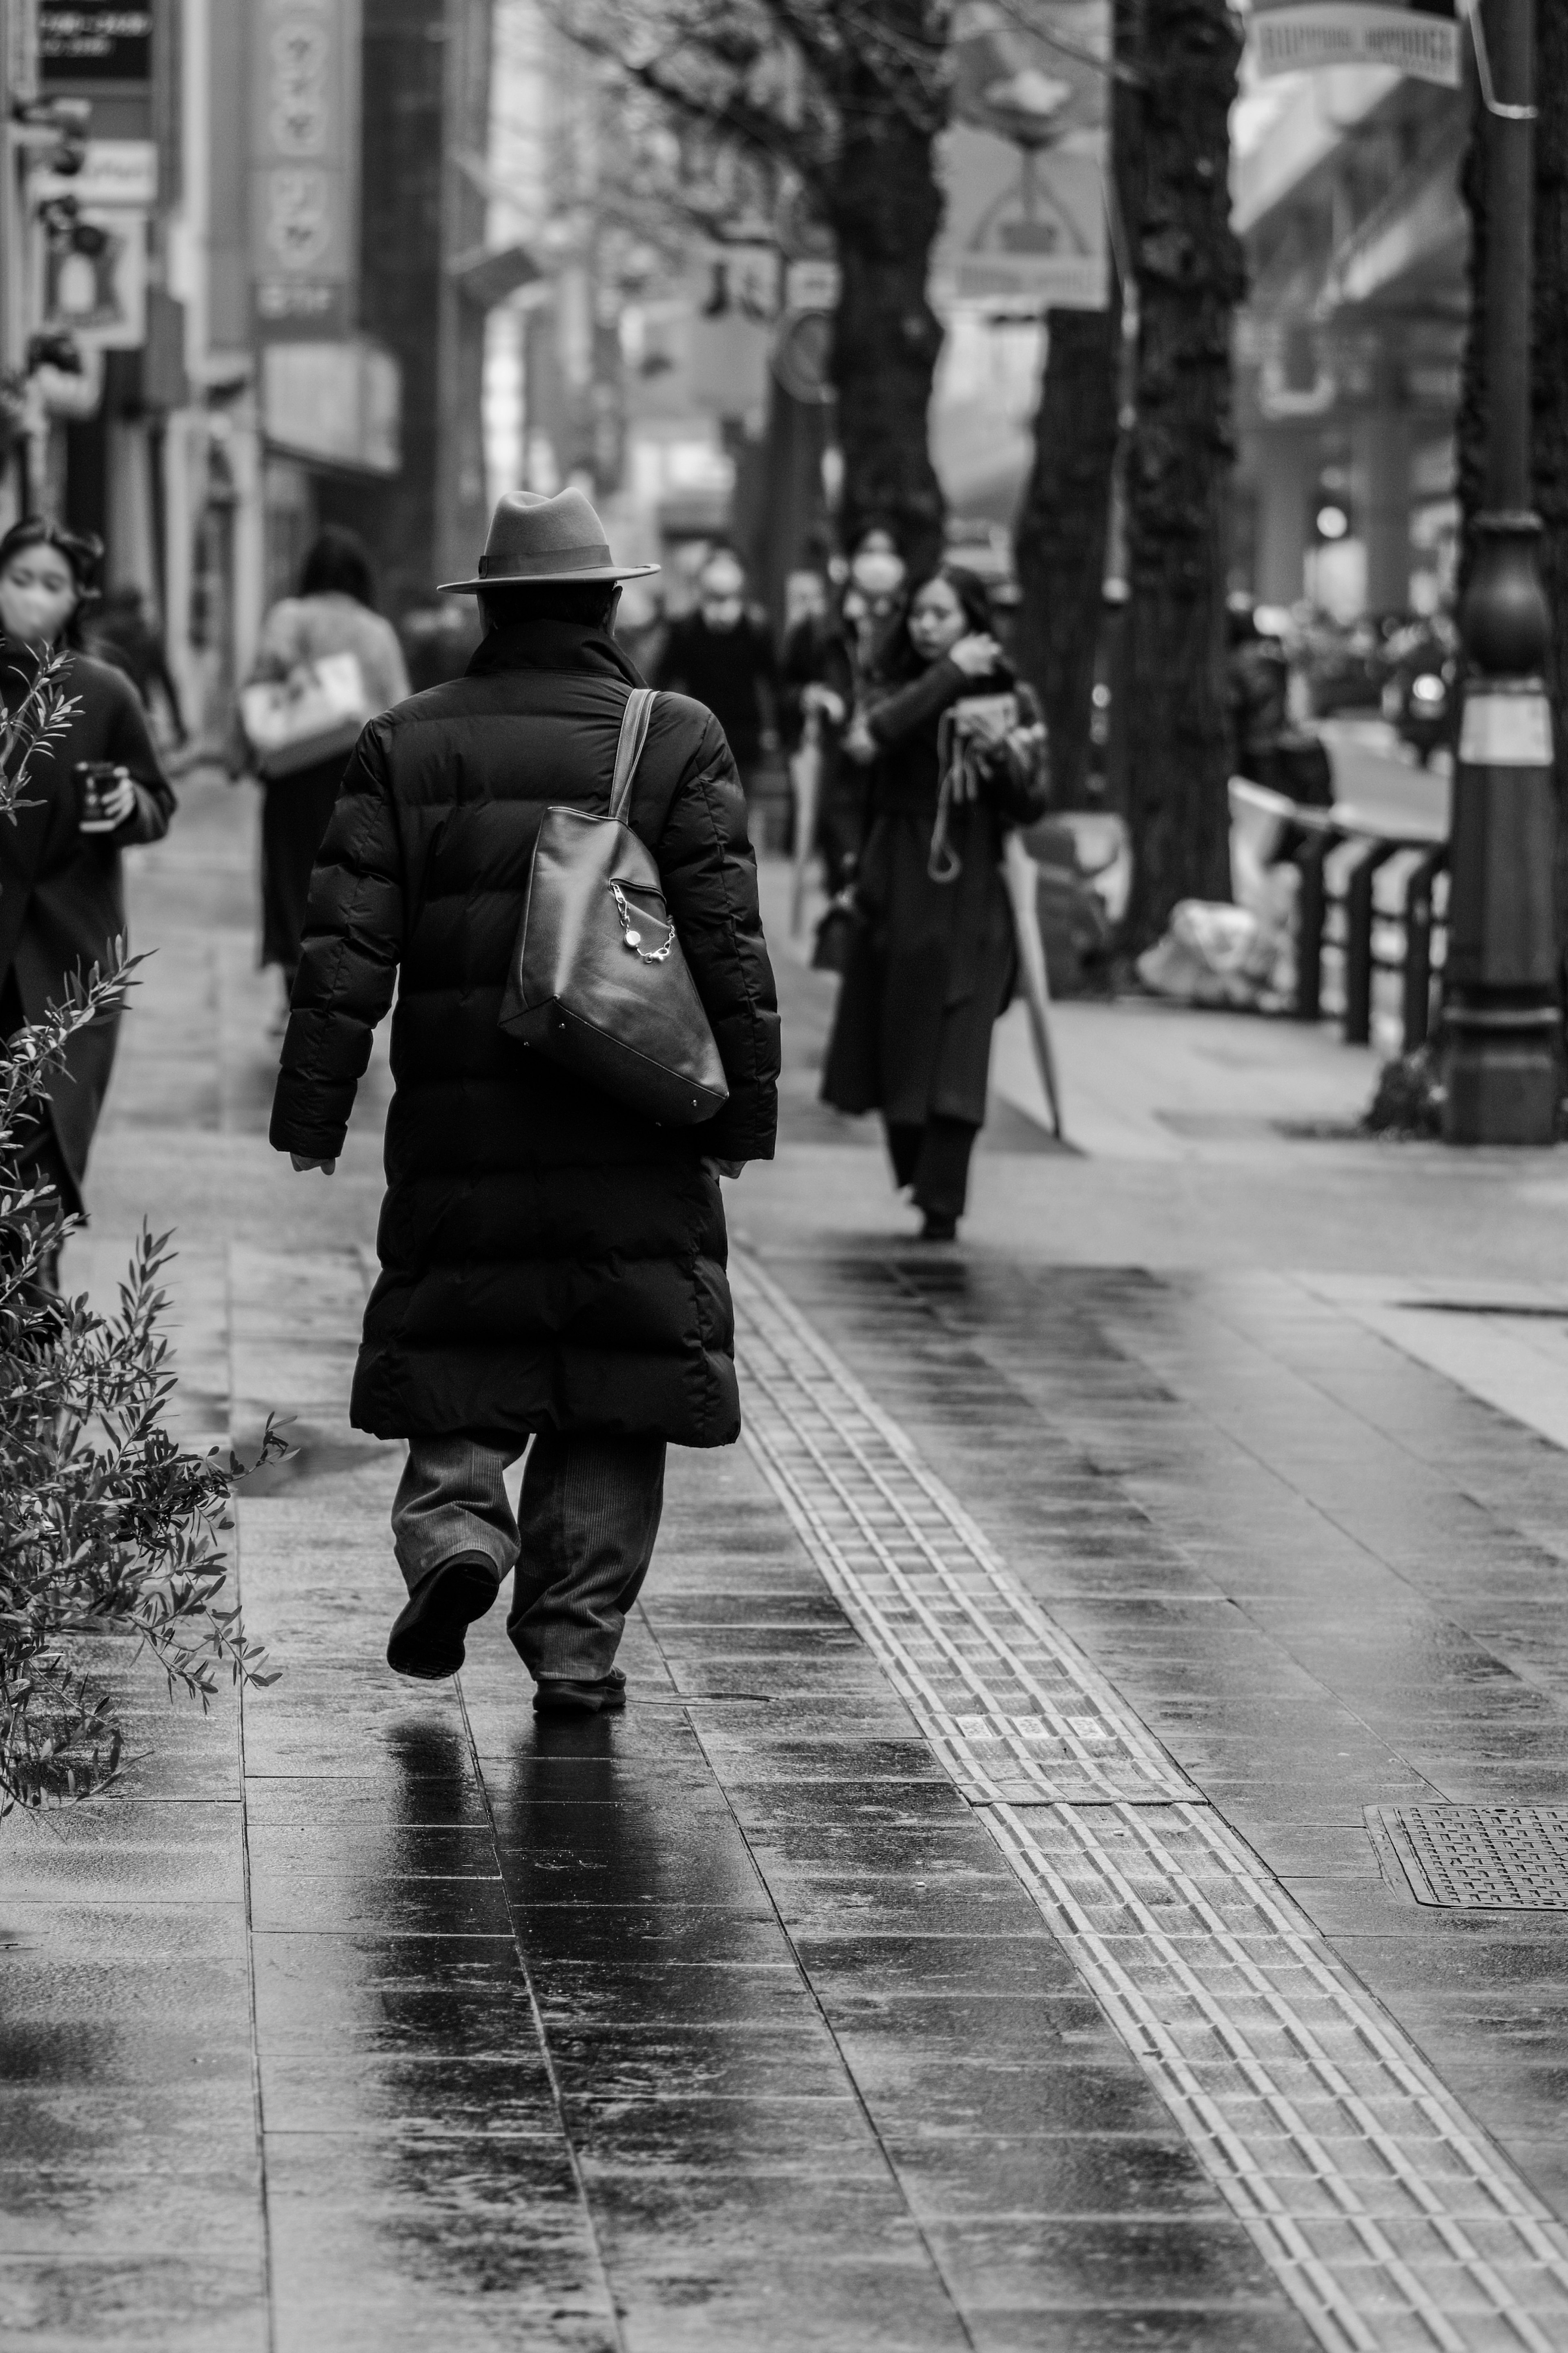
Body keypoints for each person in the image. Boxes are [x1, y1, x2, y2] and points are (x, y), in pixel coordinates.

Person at [269, 488, 780, 1715]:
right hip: (630, 1110)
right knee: (610, 1382)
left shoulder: (407, 739)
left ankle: (455, 1535)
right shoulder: (674, 736)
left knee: (464, 1347)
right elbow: (723, 939)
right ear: (606, 603)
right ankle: (574, 1643)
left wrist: (315, 1109)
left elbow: (344, 943)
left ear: (489, 610)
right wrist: (740, 1114)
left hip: (464, 1115)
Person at [821, 564, 1047, 1242]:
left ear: (974, 620)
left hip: (976, 883)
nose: (926, 625)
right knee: (901, 1039)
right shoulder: (895, 686)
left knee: (961, 1043)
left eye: (942, 614)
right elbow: (871, 738)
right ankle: (919, 1169)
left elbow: (1033, 802)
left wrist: (1004, 758)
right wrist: (949, 672)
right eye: (920, 613)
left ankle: (943, 1196)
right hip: (900, 880)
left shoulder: (1011, 693)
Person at [0, 518, 175, 1258]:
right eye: (20, 579)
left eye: (53, 583)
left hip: (67, 965)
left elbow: (156, 800)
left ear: (77, 598)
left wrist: (125, 806)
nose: (34, 597)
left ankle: (31, 1340)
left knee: (39, 1162)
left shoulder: (105, 692)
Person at [235, 526, 410, 1022]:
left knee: (291, 878)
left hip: (291, 775)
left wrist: (241, 756)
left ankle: (293, 986)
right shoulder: (376, 631)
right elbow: (400, 708)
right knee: (350, 881)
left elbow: (257, 689)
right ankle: (339, 987)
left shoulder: (288, 618)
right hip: (356, 775)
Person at [654, 546, 778, 806]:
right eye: (716, 563)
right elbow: (661, 682)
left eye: (729, 564)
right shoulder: (686, 629)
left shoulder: (755, 628)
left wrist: (773, 729)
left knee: (741, 806)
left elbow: (774, 682)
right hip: (699, 734)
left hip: (744, 735)